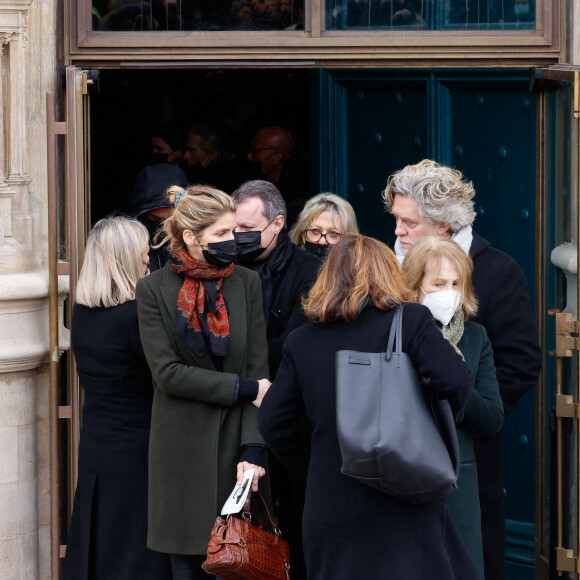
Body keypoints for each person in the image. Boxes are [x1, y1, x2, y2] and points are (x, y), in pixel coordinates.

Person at [259, 234, 482, 580]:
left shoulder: (301, 339)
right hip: (403, 492)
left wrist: (327, 457)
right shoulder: (410, 321)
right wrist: (428, 427)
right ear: (387, 273)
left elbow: (273, 421)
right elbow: (457, 381)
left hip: (330, 499)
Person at [382, 158, 542, 580]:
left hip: (468, 453)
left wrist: (474, 410)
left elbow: (522, 362)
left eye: (408, 222)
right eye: (396, 219)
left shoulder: (497, 270)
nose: (398, 230)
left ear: (442, 225)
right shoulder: (388, 267)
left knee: (467, 559)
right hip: (398, 451)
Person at [136, 184, 270, 579]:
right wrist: (242, 390)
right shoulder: (152, 290)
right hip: (180, 452)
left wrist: (255, 449)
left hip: (238, 453)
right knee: (188, 568)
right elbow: (167, 373)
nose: (233, 242)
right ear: (191, 238)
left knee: (240, 564)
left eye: (234, 231)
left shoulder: (246, 282)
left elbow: (259, 369)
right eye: (221, 234)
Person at [62, 216, 171, 580]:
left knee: (103, 545)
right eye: (143, 252)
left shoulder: (82, 313)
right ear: (125, 258)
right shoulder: (136, 315)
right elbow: (167, 377)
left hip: (98, 446)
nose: (148, 259)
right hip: (138, 451)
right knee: (133, 555)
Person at [232, 179, 321, 580]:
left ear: (278, 224)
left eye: (249, 229)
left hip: (290, 417)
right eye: (235, 229)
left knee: (298, 520)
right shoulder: (227, 265)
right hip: (239, 411)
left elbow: (298, 344)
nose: (239, 237)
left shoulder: (309, 272)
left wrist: (240, 362)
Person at [402, 236, 505, 572]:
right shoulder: (394, 333)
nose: (449, 291)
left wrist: (453, 386)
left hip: (458, 487)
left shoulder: (475, 337)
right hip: (404, 481)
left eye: (456, 283)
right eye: (439, 283)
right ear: (416, 286)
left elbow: (492, 417)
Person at [126, 162, 188, 272]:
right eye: (157, 219)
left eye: (172, 220)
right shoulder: (131, 241)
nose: (165, 227)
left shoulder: (195, 239)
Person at [245, 126, 309, 224]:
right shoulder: (256, 178)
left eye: (256, 151)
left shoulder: (296, 188)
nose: (249, 156)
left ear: (277, 157)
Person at [289, 192, 359, 258]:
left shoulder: (358, 270)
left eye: (333, 233)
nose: (322, 241)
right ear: (303, 235)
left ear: (348, 239)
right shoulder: (291, 268)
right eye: (315, 231)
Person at [181, 123, 240, 192]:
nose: (186, 156)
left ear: (212, 154)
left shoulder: (220, 183)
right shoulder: (186, 170)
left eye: (192, 150)